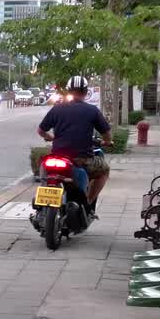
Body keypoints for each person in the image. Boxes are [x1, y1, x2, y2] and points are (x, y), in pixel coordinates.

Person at [37, 75, 112, 215]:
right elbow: (107, 135)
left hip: (57, 157)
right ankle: (88, 202)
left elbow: (41, 131)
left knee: (44, 170)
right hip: (81, 160)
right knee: (104, 170)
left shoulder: (57, 109)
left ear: (68, 91)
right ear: (85, 91)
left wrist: (51, 138)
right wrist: (107, 142)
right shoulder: (92, 110)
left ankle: (42, 203)